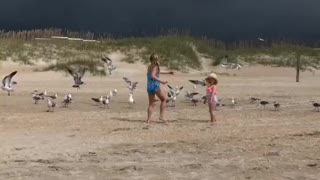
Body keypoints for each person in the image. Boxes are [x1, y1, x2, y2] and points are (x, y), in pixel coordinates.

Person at [146, 53, 174, 124]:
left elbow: (156, 72)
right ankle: (161, 117)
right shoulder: (156, 66)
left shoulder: (149, 66)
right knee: (163, 99)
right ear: (157, 59)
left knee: (151, 103)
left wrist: (168, 72)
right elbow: (153, 75)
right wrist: (161, 81)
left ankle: (148, 119)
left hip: (149, 86)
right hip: (155, 86)